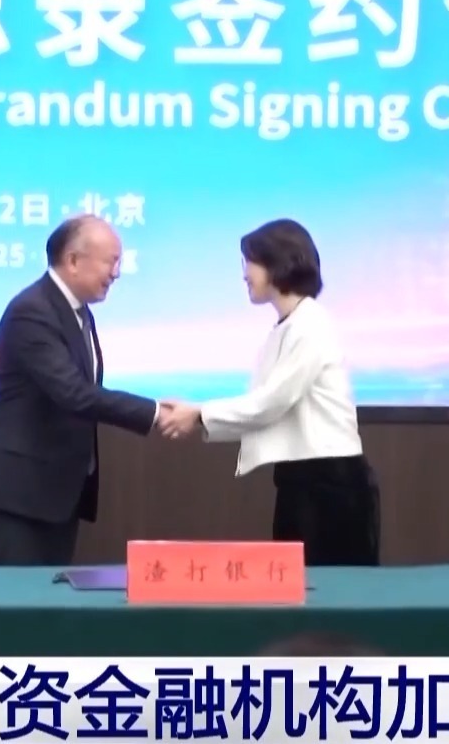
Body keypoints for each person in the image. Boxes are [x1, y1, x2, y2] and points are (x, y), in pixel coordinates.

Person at [156, 219, 380, 566]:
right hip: (300, 481)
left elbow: (271, 403)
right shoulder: (286, 326)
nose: (244, 274)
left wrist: (198, 414)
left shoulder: (311, 324)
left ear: (278, 263)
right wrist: (197, 415)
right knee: (298, 584)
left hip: (331, 484)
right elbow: (263, 408)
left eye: (250, 262)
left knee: (332, 589)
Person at [0, 215, 162, 566]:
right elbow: (73, 393)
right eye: (111, 261)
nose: (117, 273)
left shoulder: (78, 311)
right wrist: (155, 412)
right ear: (73, 260)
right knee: (17, 598)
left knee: (49, 597)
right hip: (21, 496)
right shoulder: (32, 311)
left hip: (58, 494)